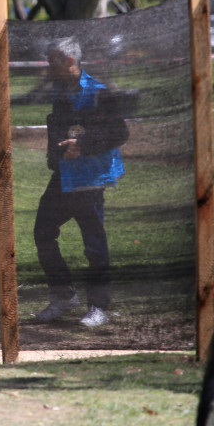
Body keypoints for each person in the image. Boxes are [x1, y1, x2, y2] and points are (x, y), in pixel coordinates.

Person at [33, 38, 129, 328]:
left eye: (53, 62)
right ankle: (64, 296)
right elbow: (58, 129)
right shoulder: (60, 93)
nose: (49, 68)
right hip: (65, 175)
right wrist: (58, 151)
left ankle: (98, 306)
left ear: (70, 62)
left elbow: (119, 133)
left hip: (91, 179)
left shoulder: (100, 92)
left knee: (94, 244)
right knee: (43, 231)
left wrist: (82, 145)